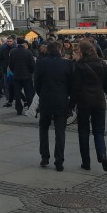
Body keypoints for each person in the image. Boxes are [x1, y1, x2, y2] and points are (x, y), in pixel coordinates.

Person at [72, 40, 107, 171]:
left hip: (84, 101)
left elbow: (75, 87)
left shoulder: (79, 65)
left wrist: (70, 105)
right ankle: (102, 154)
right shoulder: (101, 63)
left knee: (83, 132)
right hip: (99, 100)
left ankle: (86, 162)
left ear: (82, 51)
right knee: (99, 131)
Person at [34, 40, 74, 171]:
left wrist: (42, 94)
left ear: (48, 50)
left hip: (46, 99)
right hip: (61, 100)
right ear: (60, 49)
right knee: (60, 132)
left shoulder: (41, 63)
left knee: (43, 128)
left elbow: (37, 84)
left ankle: (44, 157)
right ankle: (59, 161)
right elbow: (70, 85)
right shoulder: (67, 64)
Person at [8, 37, 36, 115]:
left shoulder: (13, 52)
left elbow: (10, 65)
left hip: (17, 76)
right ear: (24, 43)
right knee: (29, 93)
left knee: (17, 94)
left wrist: (15, 71)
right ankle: (30, 109)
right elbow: (32, 66)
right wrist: (30, 72)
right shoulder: (28, 52)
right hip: (27, 76)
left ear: (17, 43)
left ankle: (19, 109)